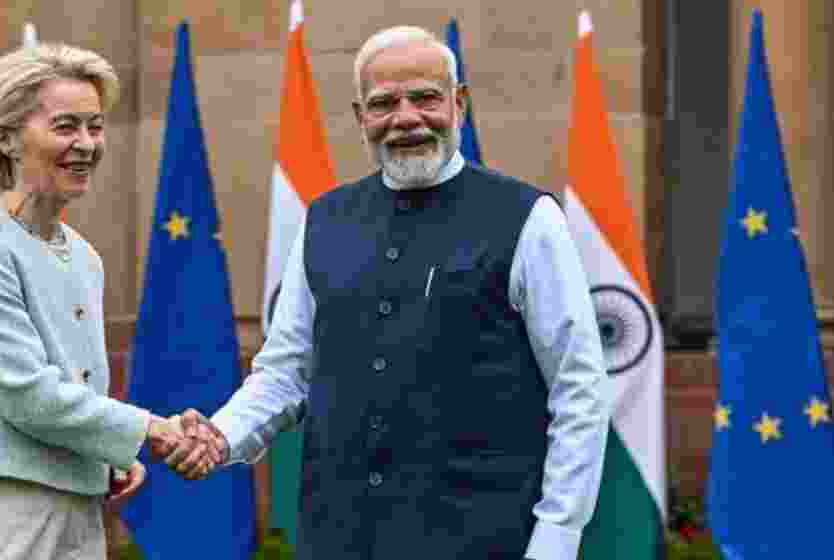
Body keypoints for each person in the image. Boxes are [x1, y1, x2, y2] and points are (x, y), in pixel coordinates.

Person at [175, 25, 611, 560]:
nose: (406, 118)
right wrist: (220, 437)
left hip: (486, 540)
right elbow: (285, 372)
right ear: (361, 118)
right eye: (384, 103)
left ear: (460, 104)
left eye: (425, 97)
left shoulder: (528, 218)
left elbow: (580, 389)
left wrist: (557, 537)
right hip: (339, 539)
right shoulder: (324, 220)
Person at [0, 42, 217, 559]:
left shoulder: (85, 257)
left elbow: (75, 391)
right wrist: (151, 431)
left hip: (75, 515)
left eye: (95, 127)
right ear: (6, 138)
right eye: (65, 126)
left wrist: (108, 455)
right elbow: (28, 394)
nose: (87, 144)